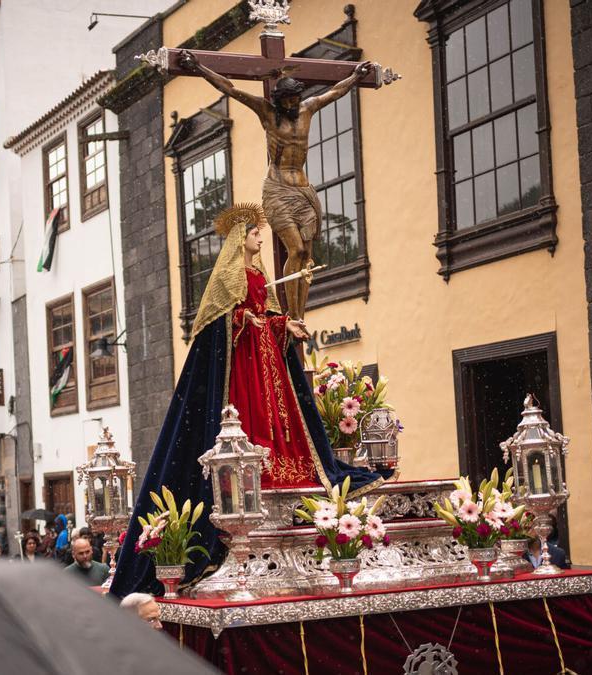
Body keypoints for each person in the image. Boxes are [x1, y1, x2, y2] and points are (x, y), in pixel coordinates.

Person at [110, 204, 382, 598]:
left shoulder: (260, 276)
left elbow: (266, 312)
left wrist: (282, 323)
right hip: (241, 369)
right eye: (255, 232)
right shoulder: (229, 276)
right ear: (242, 237)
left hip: (265, 364)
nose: (260, 237)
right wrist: (241, 321)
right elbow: (218, 325)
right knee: (249, 419)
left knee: (280, 418)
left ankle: (284, 461)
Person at [180, 52, 374, 320]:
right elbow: (231, 89)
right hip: (278, 189)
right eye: (288, 99)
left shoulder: (307, 108)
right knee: (295, 249)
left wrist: (354, 77)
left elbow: (335, 92)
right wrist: (200, 68)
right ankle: (292, 314)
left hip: (303, 190)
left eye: (295, 97)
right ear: (279, 100)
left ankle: (301, 315)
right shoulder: (268, 114)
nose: (293, 103)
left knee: (306, 255)